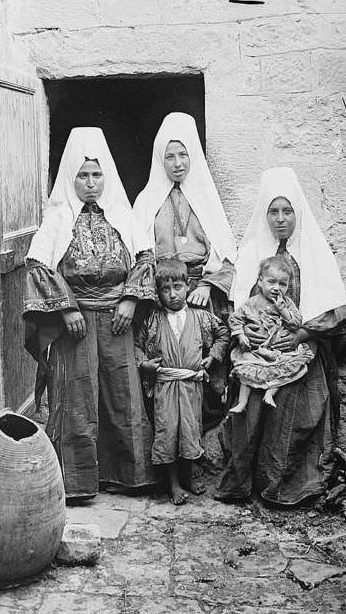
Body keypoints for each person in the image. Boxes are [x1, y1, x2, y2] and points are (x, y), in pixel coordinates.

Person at [216, 167, 346, 506]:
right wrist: (250, 334)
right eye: (273, 211)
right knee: (248, 410)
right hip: (258, 351)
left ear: (297, 213)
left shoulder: (313, 251)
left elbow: (338, 308)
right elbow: (237, 303)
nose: (280, 219)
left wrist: (302, 333)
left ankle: (283, 488)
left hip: (303, 348)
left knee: (296, 406)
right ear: (264, 215)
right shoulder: (253, 251)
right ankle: (242, 485)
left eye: (287, 211)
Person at [23, 127, 157, 501]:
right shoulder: (58, 218)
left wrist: (131, 299)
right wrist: (65, 309)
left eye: (97, 175)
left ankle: (127, 475)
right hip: (76, 324)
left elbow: (145, 258)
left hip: (117, 318)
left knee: (122, 392)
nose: (91, 183)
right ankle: (79, 482)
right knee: (77, 394)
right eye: (83, 175)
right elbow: (37, 264)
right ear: (71, 178)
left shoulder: (123, 216)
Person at [133, 112, 237, 432]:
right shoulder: (147, 200)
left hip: (199, 291)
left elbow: (227, 254)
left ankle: (203, 437)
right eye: (169, 156)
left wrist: (207, 285)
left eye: (183, 155)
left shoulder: (206, 199)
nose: (177, 163)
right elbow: (138, 251)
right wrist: (159, 289)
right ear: (159, 159)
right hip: (161, 290)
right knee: (164, 362)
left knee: (204, 361)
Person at [135, 259, 230, 505]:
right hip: (165, 386)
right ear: (158, 293)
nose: (172, 295)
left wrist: (213, 356)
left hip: (191, 386)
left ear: (188, 286)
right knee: (168, 432)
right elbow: (136, 345)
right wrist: (144, 363)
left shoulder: (201, 317)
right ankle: (174, 484)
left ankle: (188, 476)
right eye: (165, 290)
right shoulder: (153, 320)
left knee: (190, 430)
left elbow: (223, 334)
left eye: (177, 287)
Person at [228, 255, 314, 413]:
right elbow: (235, 319)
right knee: (246, 371)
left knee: (284, 371)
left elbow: (296, 323)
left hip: (278, 350)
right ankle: (242, 403)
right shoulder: (251, 303)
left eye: (282, 284)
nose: (277, 288)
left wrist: (284, 311)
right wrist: (241, 335)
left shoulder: (287, 304)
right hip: (257, 350)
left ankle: (269, 394)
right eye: (271, 282)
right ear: (260, 282)